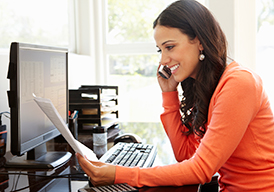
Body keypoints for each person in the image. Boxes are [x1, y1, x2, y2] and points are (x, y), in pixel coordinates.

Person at [76, 0, 274, 191]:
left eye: (169, 47)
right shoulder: (207, 86)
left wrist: (120, 174)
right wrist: (169, 93)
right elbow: (185, 155)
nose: (163, 60)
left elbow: (201, 169)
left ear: (199, 41)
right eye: (160, 50)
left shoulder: (239, 83)